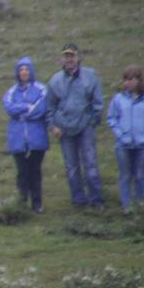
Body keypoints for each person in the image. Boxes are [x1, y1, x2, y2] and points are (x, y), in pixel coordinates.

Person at [47, 43, 106, 209]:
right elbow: (50, 106)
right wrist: (53, 126)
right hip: (64, 130)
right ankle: (78, 201)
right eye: (66, 56)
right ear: (61, 59)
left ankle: (96, 200)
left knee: (91, 164)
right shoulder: (55, 80)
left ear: (78, 57)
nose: (69, 59)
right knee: (71, 167)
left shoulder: (90, 76)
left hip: (85, 127)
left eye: (72, 55)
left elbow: (98, 103)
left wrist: (93, 122)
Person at [2, 56, 50, 214]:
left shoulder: (41, 89)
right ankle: (21, 204)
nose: (24, 72)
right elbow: (9, 107)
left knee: (35, 171)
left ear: (31, 71)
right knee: (22, 172)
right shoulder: (11, 91)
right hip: (18, 139)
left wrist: (23, 112)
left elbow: (41, 108)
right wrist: (26, 107)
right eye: (21, 69)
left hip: (36, 138)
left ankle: (37, 204)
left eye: (26, 69)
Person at [107, 65, 144, 214]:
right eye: (125, 79)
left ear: (138, 80)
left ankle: (141, 203)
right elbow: (112, 119)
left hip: (143, 145)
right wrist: (120, 135)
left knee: (140, 174)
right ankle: (126, 205)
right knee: (125, 175)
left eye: (129, 79)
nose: (126, 83)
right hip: (123, 145)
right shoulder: (118, 99)